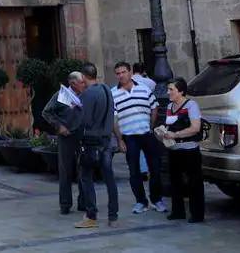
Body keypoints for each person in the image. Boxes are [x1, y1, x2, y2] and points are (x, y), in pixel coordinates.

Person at [112, 61, 167, 214]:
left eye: (123, 72)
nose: (121, 75)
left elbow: (154, 107)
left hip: (146, 134)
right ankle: (141, 201)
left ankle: (157, 199)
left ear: (130, 72)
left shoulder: (143, 89)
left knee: (155, 168)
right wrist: (119, 139)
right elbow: (113, 119)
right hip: (129, 137)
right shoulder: (113, 94)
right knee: (134, 171)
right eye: (118, 73)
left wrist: (151, 125)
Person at [75, 63, 120, 229]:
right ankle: (113, 216)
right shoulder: (107, 90)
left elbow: (84, 120)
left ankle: (91, 216)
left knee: (86, 177)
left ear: (84, 76)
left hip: (92, 142)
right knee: (109, 179)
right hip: (107, 140)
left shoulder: (87, 94)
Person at [158, 76, 205, 223]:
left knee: (194, 182)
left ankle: (197, 214)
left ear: (181, 91)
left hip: (190, 149)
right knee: (175, 181)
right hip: (174, 149)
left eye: (171, 89)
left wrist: (176, 134)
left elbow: (195, 128)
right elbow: (168, 126)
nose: (168, 92)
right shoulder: (169, 107)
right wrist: (162, 132)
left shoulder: (191, 105)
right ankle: (178, 211)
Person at [42, 71, 87, 215]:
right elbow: (47, 112)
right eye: (81, 82)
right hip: (67, 136)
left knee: (84, 169)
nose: (84, 84)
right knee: (66, 170)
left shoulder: (85, 95)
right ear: (73, 84)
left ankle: (84, 202)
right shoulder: (62, 95)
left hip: (83, 136)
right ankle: (65, 204)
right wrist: (59, 126)